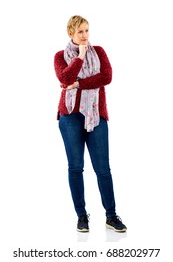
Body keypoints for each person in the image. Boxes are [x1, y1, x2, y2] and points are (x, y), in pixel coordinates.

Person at [54, 15, 127, 233]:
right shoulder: (60, 56)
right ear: (71, 34)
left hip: (96, 116)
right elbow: (65, 78)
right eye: (80, 32)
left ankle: (111, 216)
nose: (85, 36)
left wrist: (79, 84)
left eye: (87, 31)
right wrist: (79, 58)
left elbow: (106, 77)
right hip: (70, 117)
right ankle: (81, 216)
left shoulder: (100, 52)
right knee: (76, 167)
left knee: (103, 169)